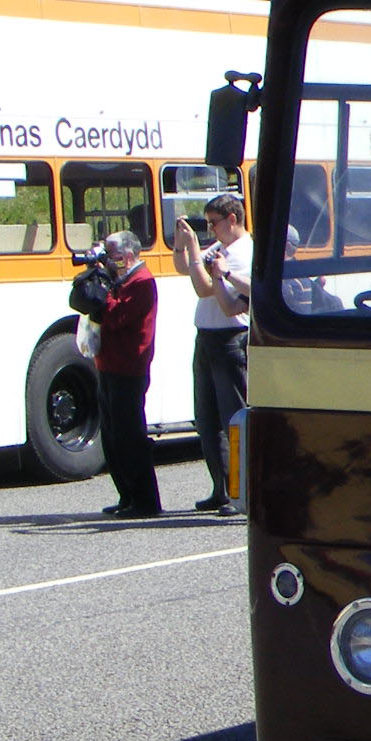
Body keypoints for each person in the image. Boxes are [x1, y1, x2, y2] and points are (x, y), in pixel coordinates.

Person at [172, 192, 250, 516]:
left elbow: (204, 287)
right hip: (206, 337)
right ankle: (221, 488)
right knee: (207, 420)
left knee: (233, 418)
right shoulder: (220, 248)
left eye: (213, 223)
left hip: (229, 338)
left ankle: (239, 492)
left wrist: (193, 249)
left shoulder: (243, 252)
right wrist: (181, 245)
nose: (210, 229)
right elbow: (185, 269)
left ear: (232, 219)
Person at [92, 229, 161, 517]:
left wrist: (102, 294)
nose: (110, 260)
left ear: (129, 254)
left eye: (113, 255)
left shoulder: (142, 281)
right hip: (108, 365)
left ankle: (145, 501)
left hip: (129, 368)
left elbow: (118, 317)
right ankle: (126, 495)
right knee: (111, 437)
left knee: (129, 436)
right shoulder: (121, 280)